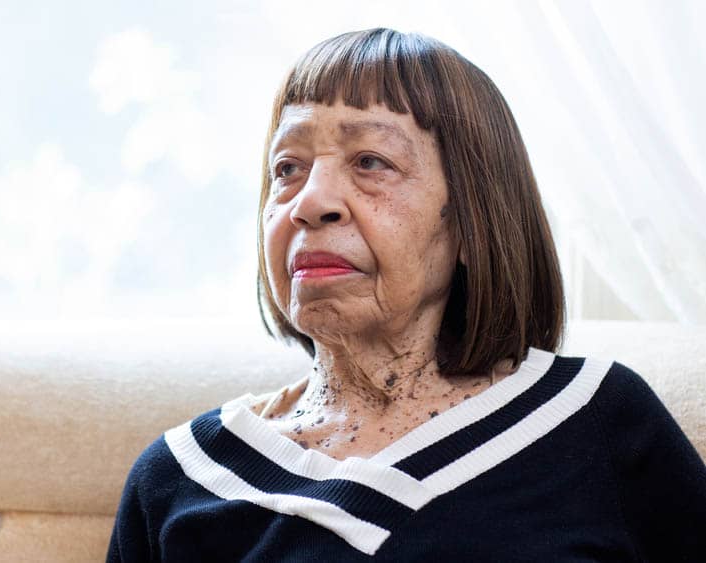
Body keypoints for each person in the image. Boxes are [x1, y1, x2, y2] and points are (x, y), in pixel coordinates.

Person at [106, 27, 706, 561]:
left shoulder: (597, 420)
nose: (310, 201)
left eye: (371, 161)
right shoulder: (178, 478)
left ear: (474, 222)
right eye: (286, 168)